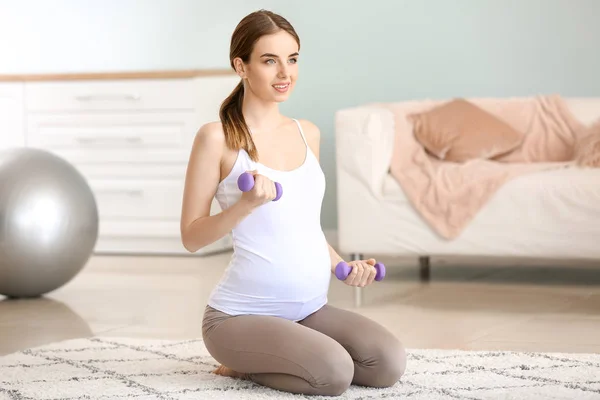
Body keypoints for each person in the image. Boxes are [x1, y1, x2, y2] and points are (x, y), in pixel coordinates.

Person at [180, 9, 406, 397]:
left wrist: (342, 266)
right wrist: (244, 205)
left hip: (307, 310)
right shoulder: (216, 138)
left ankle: (291, 350)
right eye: (270, 60)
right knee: (333, 374)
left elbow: (304, 226)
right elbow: (191, 237)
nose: (285, 73)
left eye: (293, 59)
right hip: (237, 318)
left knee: (387, 363)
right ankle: (240, 365)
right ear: (242, 66)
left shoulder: (307, 133)